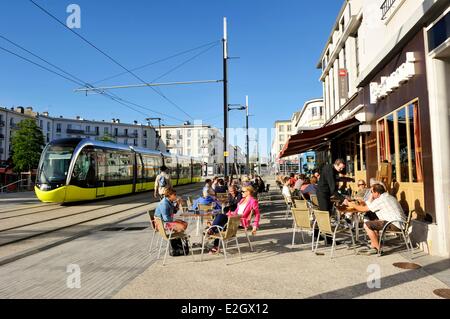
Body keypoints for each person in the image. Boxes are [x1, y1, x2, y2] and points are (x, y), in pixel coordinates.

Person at [348, 184, 406, 255]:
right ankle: (374, 246)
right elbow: (369, 206)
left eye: (372, 192)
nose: (371, 194)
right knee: (374, 221)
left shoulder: (381, 200)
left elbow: (363, 209)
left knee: (366, 225)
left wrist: (351, 204)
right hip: (400, 223)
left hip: (395, 224)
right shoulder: (388, 196)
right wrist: (371, 198)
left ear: (377, 193)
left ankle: (378, 248)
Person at [207, 186, 260, 254]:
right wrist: (230, 213)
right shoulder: (242, 200)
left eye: (243, 191)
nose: (241, 193)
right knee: (220, 219)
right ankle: (213, 235)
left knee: (220, 219)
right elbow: (236, 211)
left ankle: (211, 232)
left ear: (248, 192)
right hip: (234, 218)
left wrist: (255, 226)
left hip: (240, 221)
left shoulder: (253, 201)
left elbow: (257, 214)